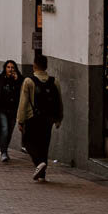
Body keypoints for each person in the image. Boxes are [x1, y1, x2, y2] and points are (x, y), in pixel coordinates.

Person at [17, 53, 63, 181]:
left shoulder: (29, 81)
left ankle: (39, 163)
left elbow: (23, 103)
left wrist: (20, 120)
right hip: (48, 118)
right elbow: (59, 101)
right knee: (44, 144)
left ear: (34, 66)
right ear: (46, 66)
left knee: (28, 142)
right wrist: (59, 118)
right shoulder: (54, 81)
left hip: (33, 118)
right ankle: (42, 175)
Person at [0, 60, 23, 162]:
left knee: (9, 131)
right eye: (8, 67)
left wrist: (17, 80)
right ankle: (3, 153)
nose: (10, 69)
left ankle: (4, 149)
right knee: (5, 129)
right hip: (1, 108)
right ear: (5, 68)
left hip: (13, 110)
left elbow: (21, 93)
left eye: (12, 67)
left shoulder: (19, 79)